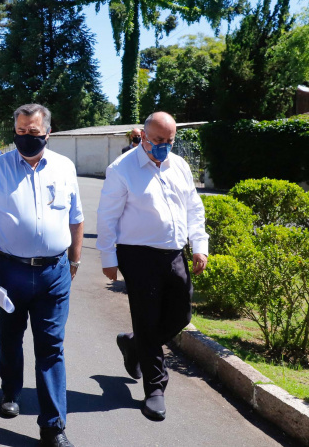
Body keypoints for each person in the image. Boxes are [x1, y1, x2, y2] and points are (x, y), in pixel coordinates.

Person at [0, 104, 83, 447]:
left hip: (54, 271)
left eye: (33, 133)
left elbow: (76, 218)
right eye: (20, 132)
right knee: (10, 336)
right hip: (9, 271)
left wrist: (74, 262)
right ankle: (10, 391)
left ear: (47, 132)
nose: (26, 138)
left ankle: (53, 426)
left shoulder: (64, 167)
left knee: (51, 346)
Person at [96, 111, 208, 422]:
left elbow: (193, 209)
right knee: (147, 319)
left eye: (169, 141)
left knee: (181, 315)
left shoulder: (179, 165)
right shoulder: (122, 169)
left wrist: (199, 246)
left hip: (173, 254)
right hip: (138, 255)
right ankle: (155, 388)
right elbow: (107, 216)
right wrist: (108, 258)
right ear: (143, 136)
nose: (163, 146)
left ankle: (134, 345)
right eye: (158, 140)